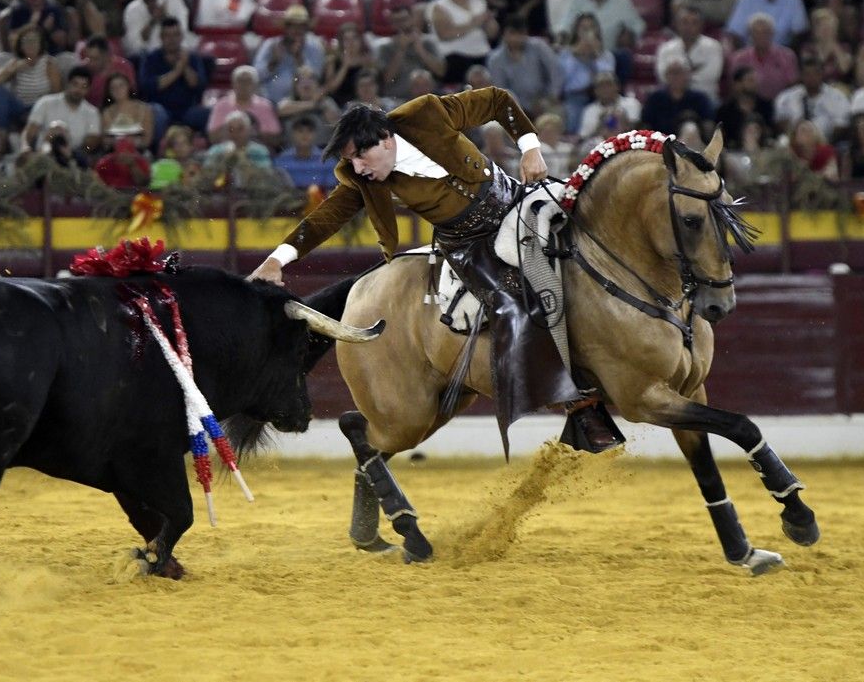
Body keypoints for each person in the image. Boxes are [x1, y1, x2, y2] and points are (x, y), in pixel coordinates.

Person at [247, 86, 621, 451]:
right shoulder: (361, 178)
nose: (358, 167)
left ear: (385, 139)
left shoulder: (427, 114)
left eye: (361, 155)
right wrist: (277, 260)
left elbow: (496, 100)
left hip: (518, 203)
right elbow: (324, 219)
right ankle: (582, 406)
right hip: (470, 245)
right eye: (352, 161)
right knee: (514, 305)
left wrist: (530, 148)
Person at [0, 27, 61, 158]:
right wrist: (12, 70)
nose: (30, 45)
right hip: (19, 108)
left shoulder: (49, 63)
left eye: (34, 41)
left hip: (40, 110)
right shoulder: (15, 62)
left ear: (40, 44)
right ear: (21, 45)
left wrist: (38, 112)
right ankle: (3, 144)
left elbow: (57, 95)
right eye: (26, 42)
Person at [426, 0, 498, 85]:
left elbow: (492, 34)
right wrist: (473, 23)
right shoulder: (440, 6)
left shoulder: (479, 2)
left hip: (481, 54)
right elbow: (445, 34)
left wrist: (490, 21)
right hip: (454, 55)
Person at [139, 16, 209, 132]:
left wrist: (185, 65)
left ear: (181, 37)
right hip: (161, 108)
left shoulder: (192, 57)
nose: (172, 39)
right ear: (161, 38)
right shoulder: (151, 58)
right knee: (156, 113)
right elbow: (149, 87)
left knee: (207, 114)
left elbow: (198, 85)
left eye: (176, 35)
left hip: (187, 109)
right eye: (167, 36)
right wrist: (177, 71)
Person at [485, 14, 562, 116]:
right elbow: (501, 89)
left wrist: (552, 95)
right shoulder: (495, 59)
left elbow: (555, 70)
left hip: (544, 98)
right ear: (504, 34)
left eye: (521, 34)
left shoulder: (539, 46)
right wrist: (523, 106)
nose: (517, 38)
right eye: (512, 33)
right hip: (515, 106)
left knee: (557, 114)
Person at [23, 66, 102, 160]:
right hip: (43, 156)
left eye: (83, 86)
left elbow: (91, 141)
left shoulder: (92, 113)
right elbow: (30, 130)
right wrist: (25, 148)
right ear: (67, 84)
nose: (78, 90)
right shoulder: (46, 103)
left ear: (88, 89)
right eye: (75, 84)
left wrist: (73, 154)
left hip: (72, 158)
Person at [254, 4, 327, 104]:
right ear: (286, 28)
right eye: (292, 26)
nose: (297, 30)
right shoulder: (271, 45)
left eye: (301, 26)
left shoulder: (314, 47)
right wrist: (274, 62)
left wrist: (298, 58)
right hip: (271, 101)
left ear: (306, 28)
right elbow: (256, 76)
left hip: (303, 102)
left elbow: (315, 78)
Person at [654, 4, 722, 102]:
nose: (689, 27)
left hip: (705, 97)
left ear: (701, 25)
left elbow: (711, 76)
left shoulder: (713, 47)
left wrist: (677, 75)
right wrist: (693, 71)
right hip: (672, 98)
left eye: (694, 23)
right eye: (684, 22)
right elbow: (662, 76)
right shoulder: (666, 48)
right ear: (677, 24)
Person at [376, 5, 445, 101]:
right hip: (397, 98)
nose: (401, 24)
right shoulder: (385, 47)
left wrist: (421, 50)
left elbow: (441, 71)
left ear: (412, 19)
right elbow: (386, 79)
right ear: (392, 24)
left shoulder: (427, 42)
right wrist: (401, 49)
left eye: (404, 19)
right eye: (396, 21)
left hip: (428, 98)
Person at [774, 56, 851, 140]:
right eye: (807, 74)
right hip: (793, 143)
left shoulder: (837, 97)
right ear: (801, 75)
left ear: (822, 74)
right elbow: (781, 122)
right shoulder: (786, 97)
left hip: (827, 142)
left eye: (816, 73)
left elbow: (841, 125)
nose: (811, 77)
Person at [121, 0, 191, 57]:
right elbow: (135, 46)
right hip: (148, 57)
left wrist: (166, 17)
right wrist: (153, 21)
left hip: (178, 52)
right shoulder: (132, 9)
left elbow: (183, 31)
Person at [728, 14, 800, 102]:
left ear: (772, 33)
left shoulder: (787, 56)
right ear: (750, 35)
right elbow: (735, 87)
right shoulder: (738, 58)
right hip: (749, 106)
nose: (761, 36)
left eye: (765, 32)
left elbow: (793, 86)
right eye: (756, 32)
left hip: (781, 105)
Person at [207, 65, 281, 146]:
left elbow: (276, 139)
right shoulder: (221, 105)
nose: (243, 85)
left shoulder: (265, 106)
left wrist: (253, 132)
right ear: (233, 84)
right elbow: (212, 138)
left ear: (255, 85)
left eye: (248, 81)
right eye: (240, 81)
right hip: (226, 151)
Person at [641, 60, 713, 136]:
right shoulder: (655, 98)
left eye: (679, 73)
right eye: (672, 73)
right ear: (666, 76)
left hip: (690, 144)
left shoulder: (700, 98)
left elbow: (708, 123)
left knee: (690, 128)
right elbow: (645, 123)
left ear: (687, 75)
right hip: (660, 142)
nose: (675, 77)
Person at [715, 66, 775, 150]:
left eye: (755, 80)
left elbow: (771, 131)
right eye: (750, 80)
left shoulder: (765, 106)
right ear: (737, 84)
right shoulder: (725, 111)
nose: (755, 84)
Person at [274, 114, 337, 189]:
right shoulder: (281, 160)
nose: (305, 135)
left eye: (310, 131)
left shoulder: (328, 161)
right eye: (300, 131)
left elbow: (331, 190)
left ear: (316, 134)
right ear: (293, 134)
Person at [577, 70, 640, 141]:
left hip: (627, 142)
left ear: (617, 87)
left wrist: (623, 120)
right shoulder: (589, 110)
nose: (605, 89)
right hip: (598, 145)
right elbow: (583, 138)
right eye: (601, 86)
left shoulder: (631, 103)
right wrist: (600, 124)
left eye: (609, 85)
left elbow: (637, 130)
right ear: (595, 91)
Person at [101, 72, 157, 152]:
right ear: (109, 91)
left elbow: (147, 140)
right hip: (114, 154)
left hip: (139, 153)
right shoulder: (106, 113)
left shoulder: (144, 109)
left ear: (128, 87)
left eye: (121, 86)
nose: (118, 90)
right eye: (113, 87)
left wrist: (128, 143)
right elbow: (105, 142)